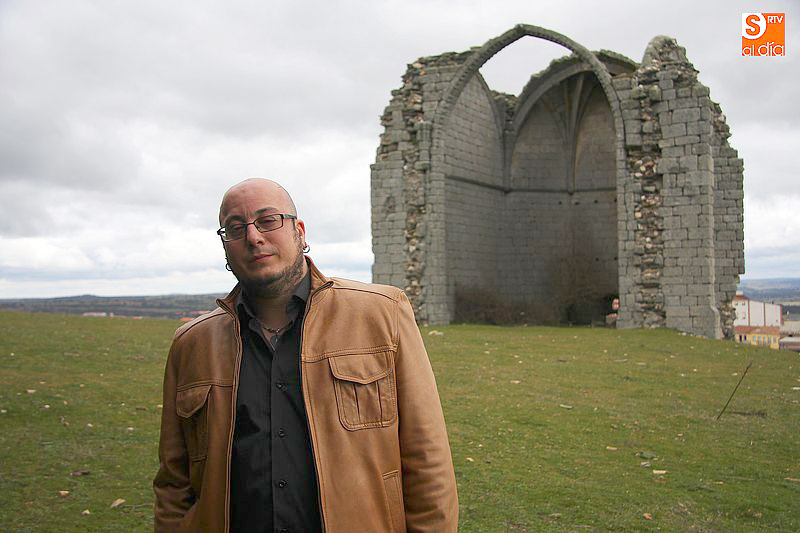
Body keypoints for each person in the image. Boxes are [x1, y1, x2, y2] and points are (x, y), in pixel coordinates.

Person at [153, 178, 458, 532]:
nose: (253, 237)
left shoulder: (382, 314)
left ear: (299, 230)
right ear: (225, 245)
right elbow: (174, 482)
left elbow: (427, 459)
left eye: (268, 220)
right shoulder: (191, 344)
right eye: (235, 228)